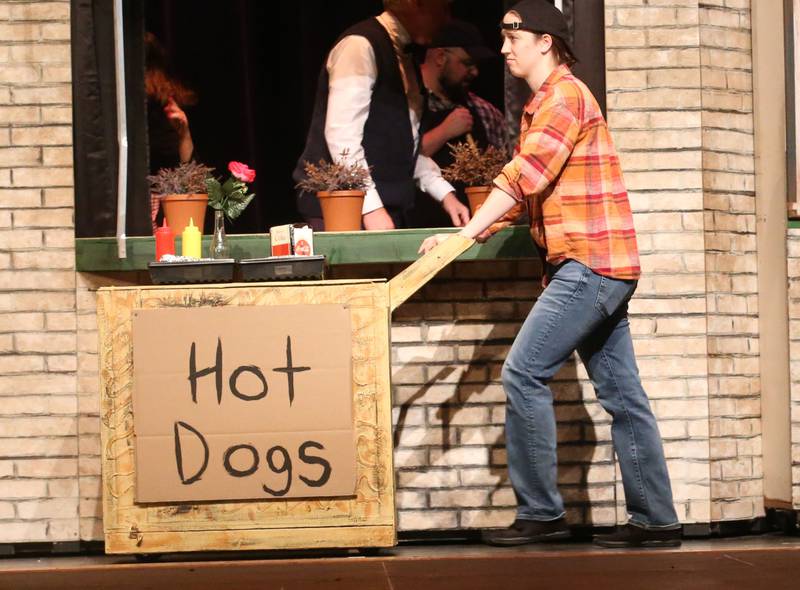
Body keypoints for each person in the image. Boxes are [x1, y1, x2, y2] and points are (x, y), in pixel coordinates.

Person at [419, 0, 681, 549]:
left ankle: (541, 512)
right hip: (603, 264)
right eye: (504, 34)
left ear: (547, 42)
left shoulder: (564, 96)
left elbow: (525, 176)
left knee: (522, 373)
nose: (506, 45)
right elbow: (530, 191)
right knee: (623, 394)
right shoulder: (549, 102)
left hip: (589, 264)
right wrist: (474, 228)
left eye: (515, 34)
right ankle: (655, 519)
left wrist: (466, 235)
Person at [293, 0, 470, 230]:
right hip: (343, 212)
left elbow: (405, 146)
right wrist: (371, 208)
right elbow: (342, 137)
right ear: (416, 6)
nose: (446, 20)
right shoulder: (360, 46)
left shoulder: (406, 58)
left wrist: (445, 193)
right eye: (442, 9)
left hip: (384, 210)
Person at [408, 19, 510, 227]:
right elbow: (399, 157)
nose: (474, 72)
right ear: (440, 57)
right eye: (467, 63)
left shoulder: (484, 111)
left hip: (474, 230)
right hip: (417, 231)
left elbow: (505, 169)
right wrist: (444, 131)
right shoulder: (407, 105)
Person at [145, 32, 197, 231]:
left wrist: (184, 134)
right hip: (171, 200)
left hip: (167, 201)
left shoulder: (164, 102)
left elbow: (189, 170)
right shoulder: (169, 99)